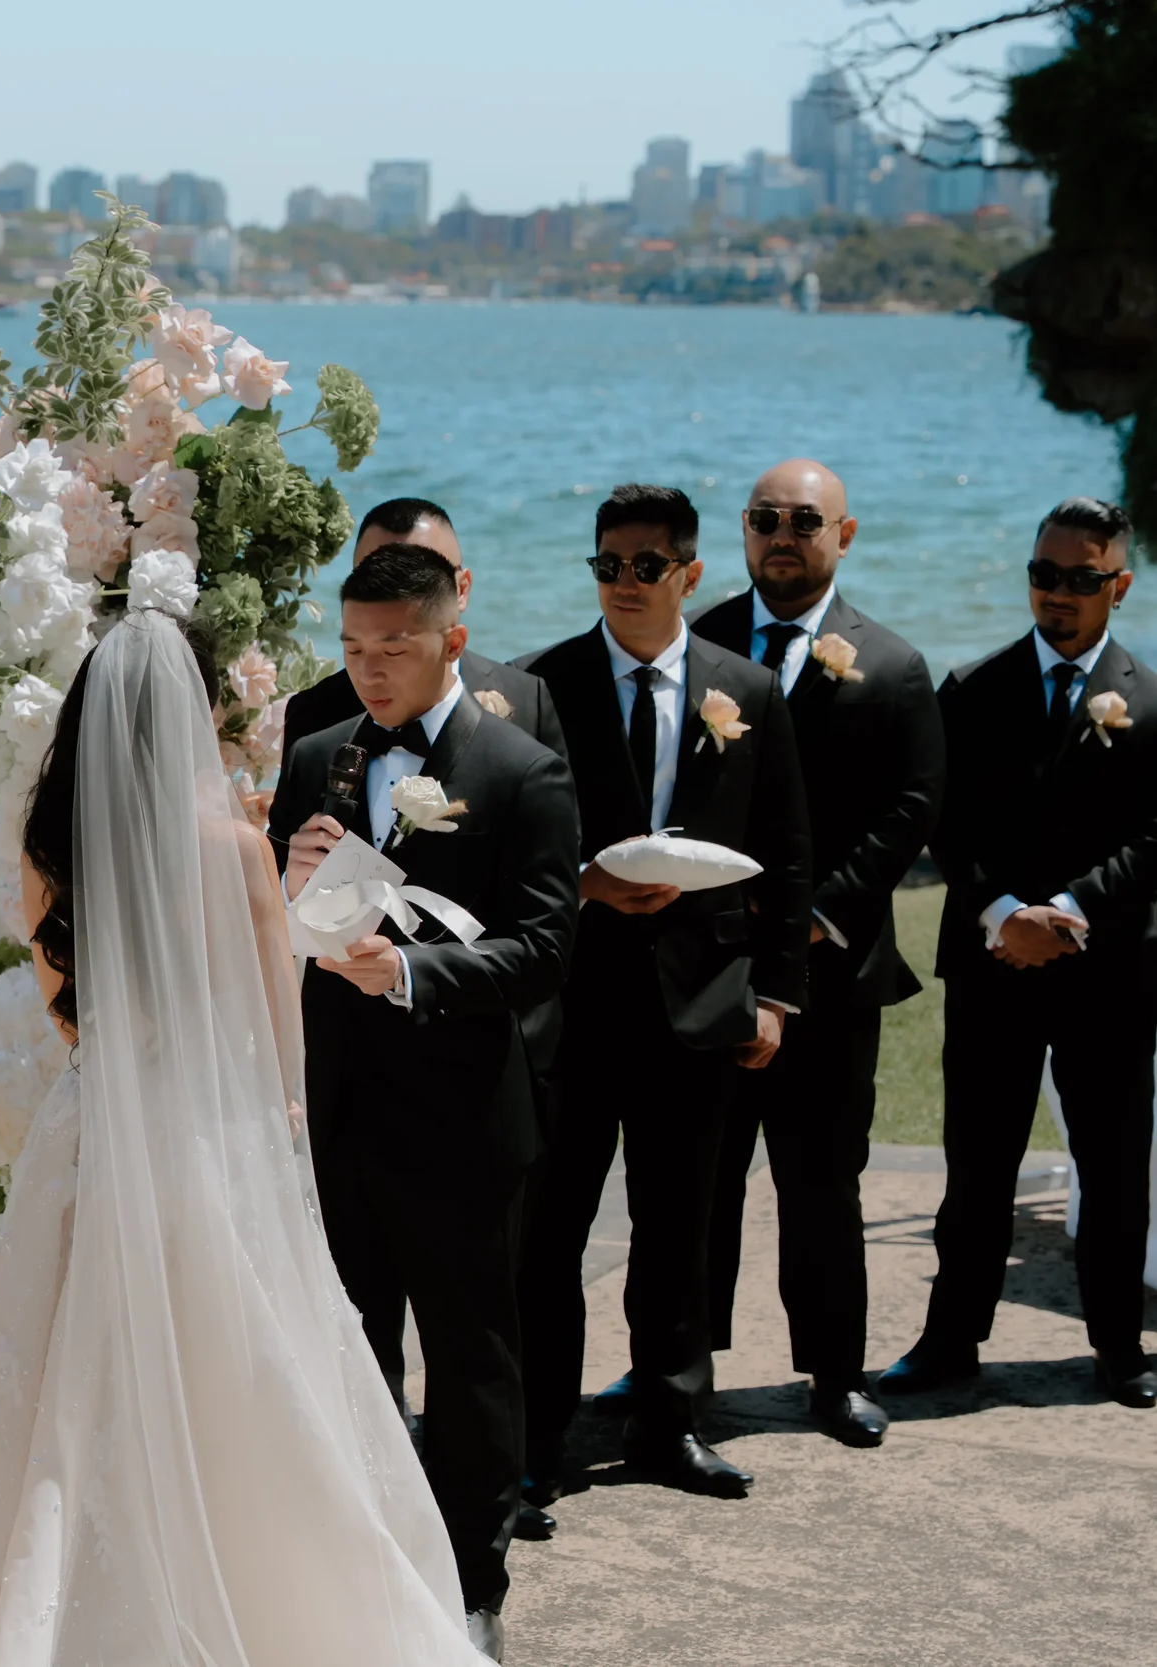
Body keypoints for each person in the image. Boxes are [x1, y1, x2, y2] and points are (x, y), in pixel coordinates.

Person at [0, 610, 494, 1667]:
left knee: (68, 1359)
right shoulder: (233, 843)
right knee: (244, 1355)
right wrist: (274, 1116)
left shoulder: (51, 843)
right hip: (213, 1126)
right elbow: (280, 1019)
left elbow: (65, 1015)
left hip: (97, 1124)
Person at [267, 548, 582, 1638]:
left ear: (450, 637)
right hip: (342, 1105)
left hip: (463, 1117)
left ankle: (474, 1582)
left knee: (470, 1363)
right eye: (352, 649)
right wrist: (291, 879)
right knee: (350, 1345)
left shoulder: (521, 769)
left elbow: (545, 947)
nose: (368, 670)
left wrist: (411, 972)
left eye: (392, 647)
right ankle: (360, 1562)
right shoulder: (314, 757)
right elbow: (283, 921)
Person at [514, 485, 812, 1506]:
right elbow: (514, 848)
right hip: (573, 1001)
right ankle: (533, 1436)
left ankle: (669, 1420)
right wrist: (585, 884)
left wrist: (776, 992)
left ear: (689, 571)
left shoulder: (750, 690)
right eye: (607, 563)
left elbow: (786, 850)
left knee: (682, 1224)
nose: (624, 582)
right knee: (547, 1230)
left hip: (700, 1001)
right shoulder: (538, 684)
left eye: (646, 564)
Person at [683, 461, 944, 1447]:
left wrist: (814, 909)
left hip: (832, 967)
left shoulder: (894, 663)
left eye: (802, 520)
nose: (780, 536)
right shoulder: (696, 640)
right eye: (763, 520)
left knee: (823, 1176)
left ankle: (834, 1377)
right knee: (698, 1175)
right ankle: (680, 1372)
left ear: (845, 532)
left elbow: (912, 807)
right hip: (713, 959)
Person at [880, 497, 1157, 1409]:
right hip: (994, 964)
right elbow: (946, 819)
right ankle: (950, 1337)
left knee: (1114, 1164)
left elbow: (1153, 838)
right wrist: (1002, 911)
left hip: (1108, 971)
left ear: (1118, 583)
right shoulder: (974, 688)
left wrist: (1070, 910)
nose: (1058, 594)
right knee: (979, 1158)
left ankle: (1118, 1344)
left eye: (1081, 579)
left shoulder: (1149, 700)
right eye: (1044, 574)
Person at [281, 497, 567, 764]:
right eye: (376, 575)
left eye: (423, 575)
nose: (395, 593)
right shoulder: (311, 713)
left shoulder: (530, 697)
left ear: (462, 589)